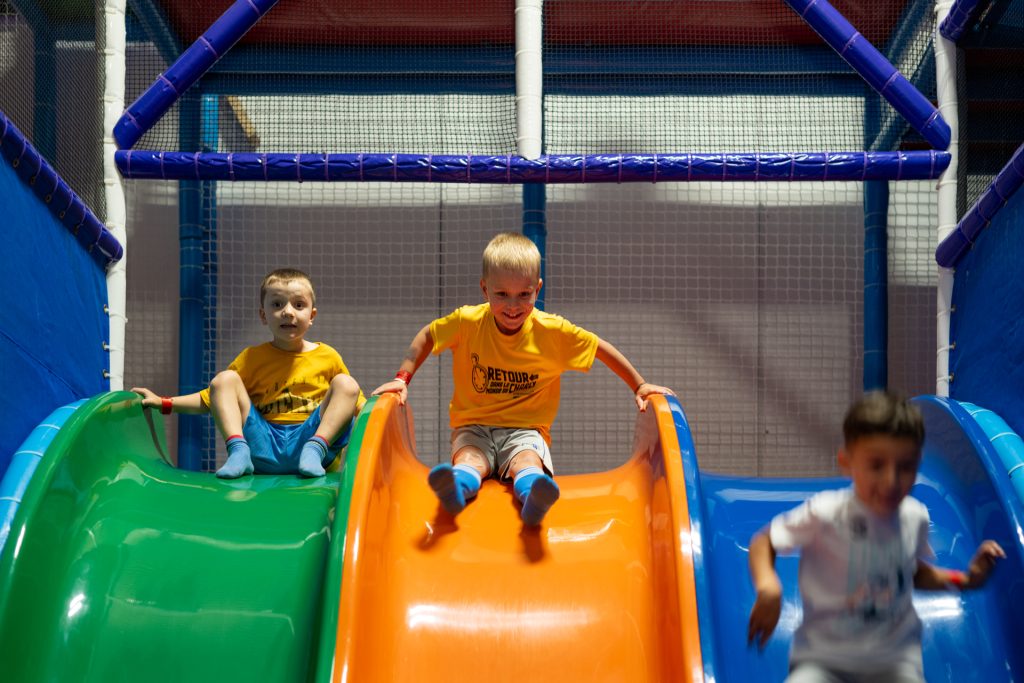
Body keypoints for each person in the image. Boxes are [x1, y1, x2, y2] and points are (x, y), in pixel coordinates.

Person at [372, 232, 674, 526]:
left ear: (537, 289)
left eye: (524, 295)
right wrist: (402, 378)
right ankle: (457, 488)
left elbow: (598, 348)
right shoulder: (468, 323)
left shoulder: (551, 332)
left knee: (526, 460)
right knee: (470, 459)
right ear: (484, 289)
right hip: (473, 425)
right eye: (501, 294)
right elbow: (428, 336)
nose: (513, 306)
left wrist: (639, 384)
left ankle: (533, 498)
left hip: (526, 430)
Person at [747, 391, 1006, 682]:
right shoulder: (826, 512)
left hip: (894, 662)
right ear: (847, 462)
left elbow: (911, 572)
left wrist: (966, 580)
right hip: (825, 660)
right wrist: (769, 588)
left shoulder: (914, 516)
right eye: (876, 465)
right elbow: (763, 542)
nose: (891, 481)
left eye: (905, 467)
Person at [133, 268, 364, 478]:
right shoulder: (252, 358)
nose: (287, 312)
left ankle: (316, 448)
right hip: (264, 445)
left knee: (347, 384)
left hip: (309, 442)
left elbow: (357, 405)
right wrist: (165, 403)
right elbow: (211, 398)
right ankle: (239, 451)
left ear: (311, 315)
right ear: (263, 315)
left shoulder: (328, 356)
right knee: (224, 380)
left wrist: (387, 412)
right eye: (277, 305)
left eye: (298, 305)